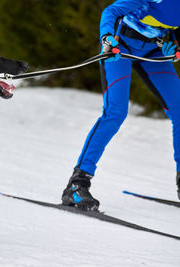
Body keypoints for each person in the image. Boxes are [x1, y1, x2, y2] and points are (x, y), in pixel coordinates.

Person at [61, 0, 180, 210]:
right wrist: (107, 37)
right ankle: (76, 184)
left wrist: (175, 45)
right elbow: (113, 11)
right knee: (115, 113)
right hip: (119, 45)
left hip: (154, 51)